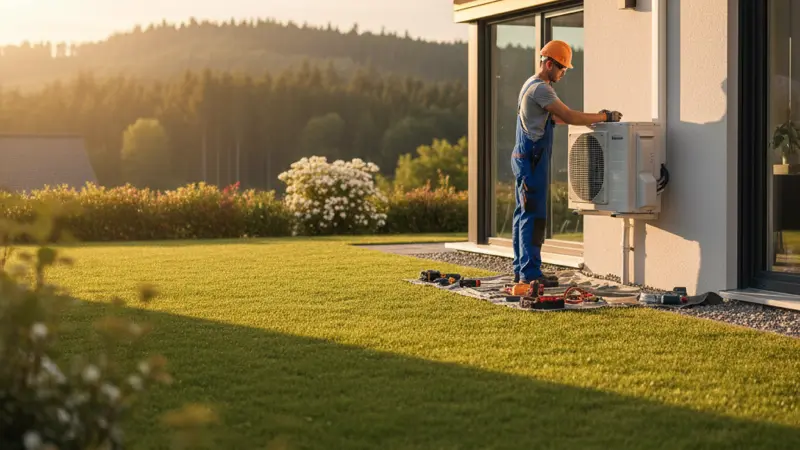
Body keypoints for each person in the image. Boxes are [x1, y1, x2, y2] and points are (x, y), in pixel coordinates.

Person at [511, 40, 622, 287]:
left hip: (525, 157)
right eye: (562, 69)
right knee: (533, 215)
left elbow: (557, 119)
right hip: (532, 159)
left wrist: (591, 120)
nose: (563, 73)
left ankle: (522, 269)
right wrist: (606, 117)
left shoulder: (531, 84)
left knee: (523, 213)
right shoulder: (541, 89)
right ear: (549, 64)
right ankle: (530, 274)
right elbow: (569, 115)